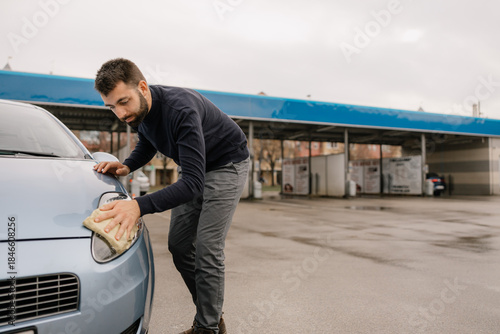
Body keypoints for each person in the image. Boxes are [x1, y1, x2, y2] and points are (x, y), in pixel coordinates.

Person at [92, 58, 249, 334]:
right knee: (178, 246)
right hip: (195, 170)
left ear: (142, 87)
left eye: (124, 102)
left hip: (227, 164)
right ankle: (210, 314)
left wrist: (138, 206)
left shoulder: (180, 109)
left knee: (208, 249)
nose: (120, 113)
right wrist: (128, 164)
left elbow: (192, 184)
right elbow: (148, 139)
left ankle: (207, 328)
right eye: (111, 106)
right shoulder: (138, 112)